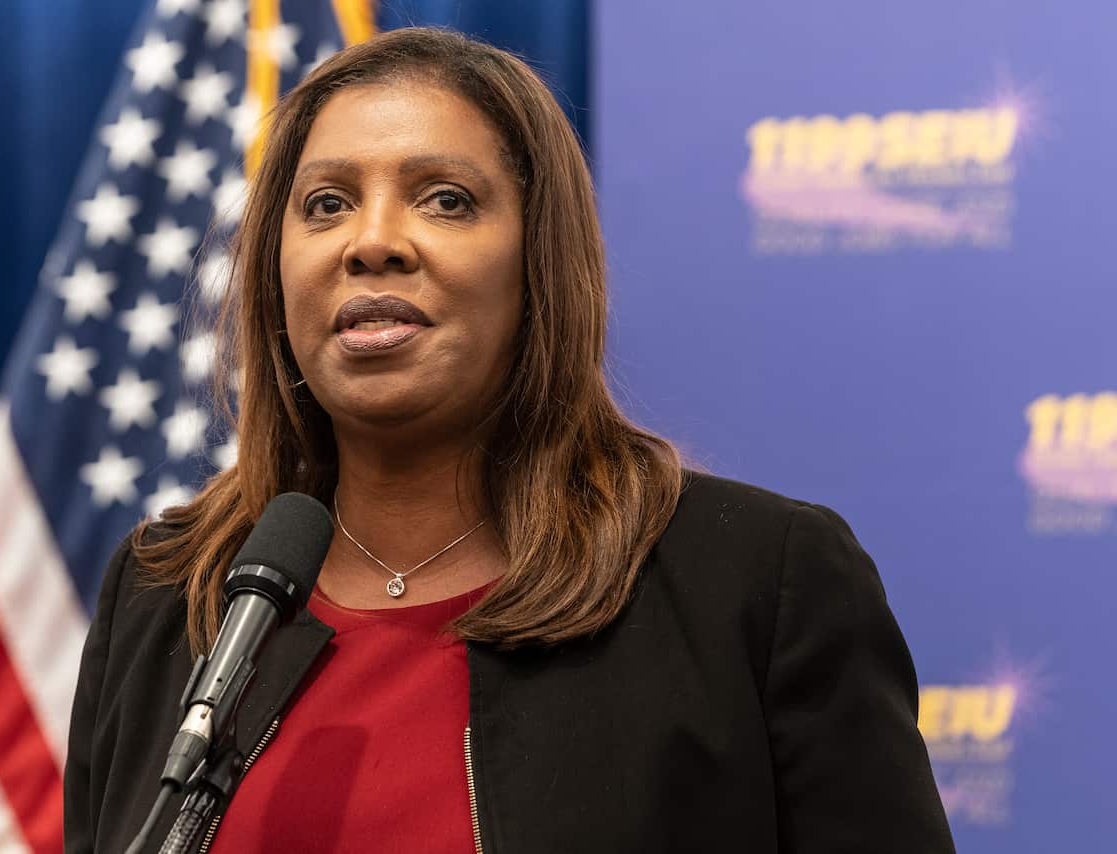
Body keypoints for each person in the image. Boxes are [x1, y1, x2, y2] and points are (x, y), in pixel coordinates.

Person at [64, 27, 955, 854]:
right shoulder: (168, 594)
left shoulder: (757, 586)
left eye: (445, 200)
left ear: (540, 262)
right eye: (327, 204)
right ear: (272, 272)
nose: (372, 243)